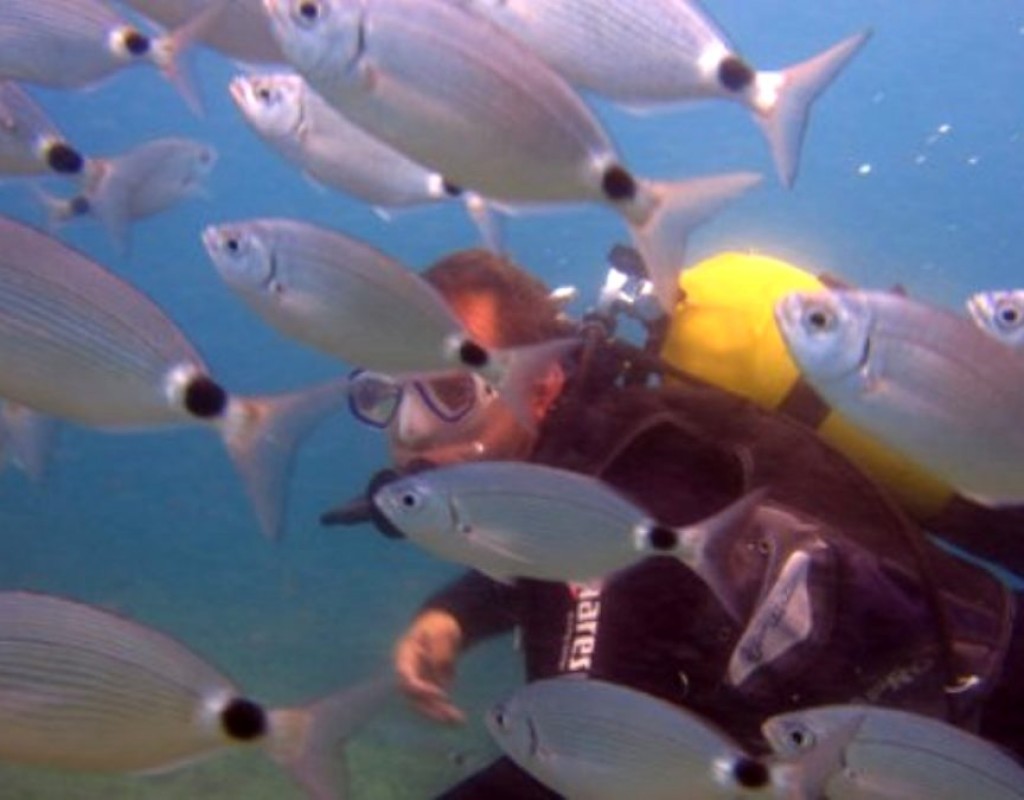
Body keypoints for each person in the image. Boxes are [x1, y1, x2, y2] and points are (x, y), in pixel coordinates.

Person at [333, 249, 1023, 798]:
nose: (409, 434)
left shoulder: (642, 473)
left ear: (540, 388)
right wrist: (456, 613)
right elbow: (565, 556)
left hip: (990, 724)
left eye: (451, 392)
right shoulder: (596, 463)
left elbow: (577, 755)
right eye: (383, 396)